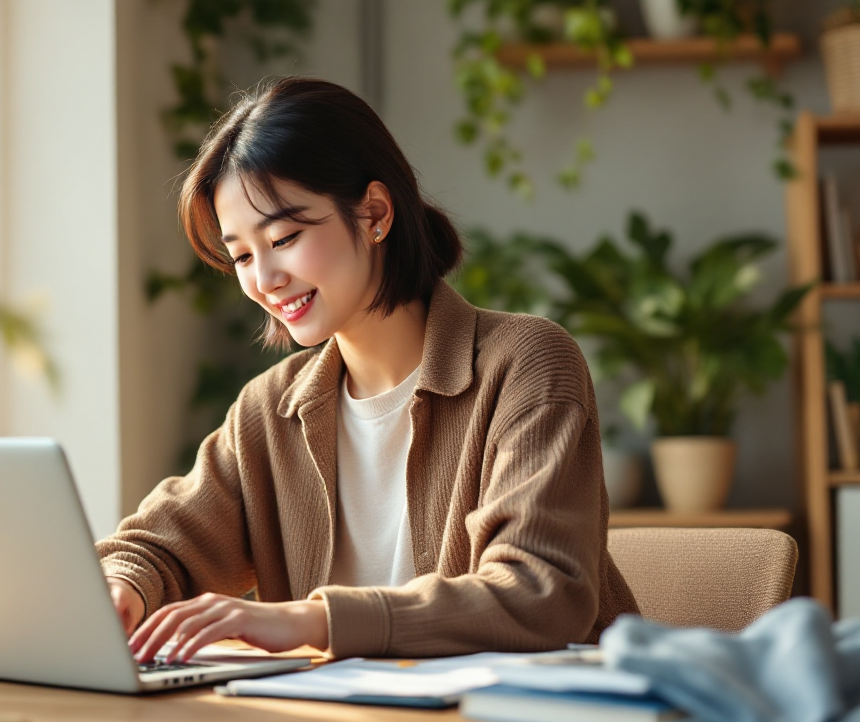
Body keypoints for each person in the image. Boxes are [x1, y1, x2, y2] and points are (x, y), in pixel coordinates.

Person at [97, 76, 638, 665]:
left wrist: (312, 621)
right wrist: (123, 586)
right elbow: (161, 547)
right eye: (243, 255)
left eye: (285, 236)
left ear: (375, 212)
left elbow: (541, 594)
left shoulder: (524, 363)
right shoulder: (270, 409)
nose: (265, 279)